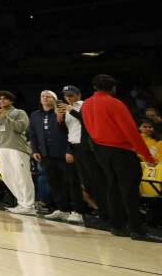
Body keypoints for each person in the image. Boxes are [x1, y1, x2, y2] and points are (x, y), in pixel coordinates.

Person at [80, 74, 160, 241]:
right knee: (129, 189)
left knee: (112, 186)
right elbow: (131, 131)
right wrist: (147, 156)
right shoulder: (115, 103)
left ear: (95, 87)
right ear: (113, 88)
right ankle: (136, 228)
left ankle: (117, 225)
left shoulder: (86, 104)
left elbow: (86, 126)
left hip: (100, 150)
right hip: (121, 150)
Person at [28, 90, 84, 223]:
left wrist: (69, 150)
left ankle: (78, 211)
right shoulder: (35, 115)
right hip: (46, 154)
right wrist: (35, 149)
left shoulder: (64, 111)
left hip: (64, 153)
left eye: (48, 96)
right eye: (42, 96)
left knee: (72, 182)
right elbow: (32, 133)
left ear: (55, 99)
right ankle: (62, 209)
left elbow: (71, 131)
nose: (45, 98)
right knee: (54, 183)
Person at [62, 84, 110, 228]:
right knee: (87, 183)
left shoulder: (85, 105)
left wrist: (72, 111)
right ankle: (102, 212)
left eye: (71, 95)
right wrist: (60, 117)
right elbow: (66, 130)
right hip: (74, 148)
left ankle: (108, 214)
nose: (68, 97)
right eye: (66, 95)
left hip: (87, 149)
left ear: (78, 95)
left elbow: (89, 122)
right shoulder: (64, 109)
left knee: (97, 181)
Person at [0, 90, 35, 215]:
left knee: (22, 176)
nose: (1, 101)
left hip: (17, 148)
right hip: (2, 148)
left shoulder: (19, 112)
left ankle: (29, 205)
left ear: (11, 101)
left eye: (4, 99)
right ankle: (22, 202)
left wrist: (5, 117)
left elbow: (21, 127)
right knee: (6, 175)